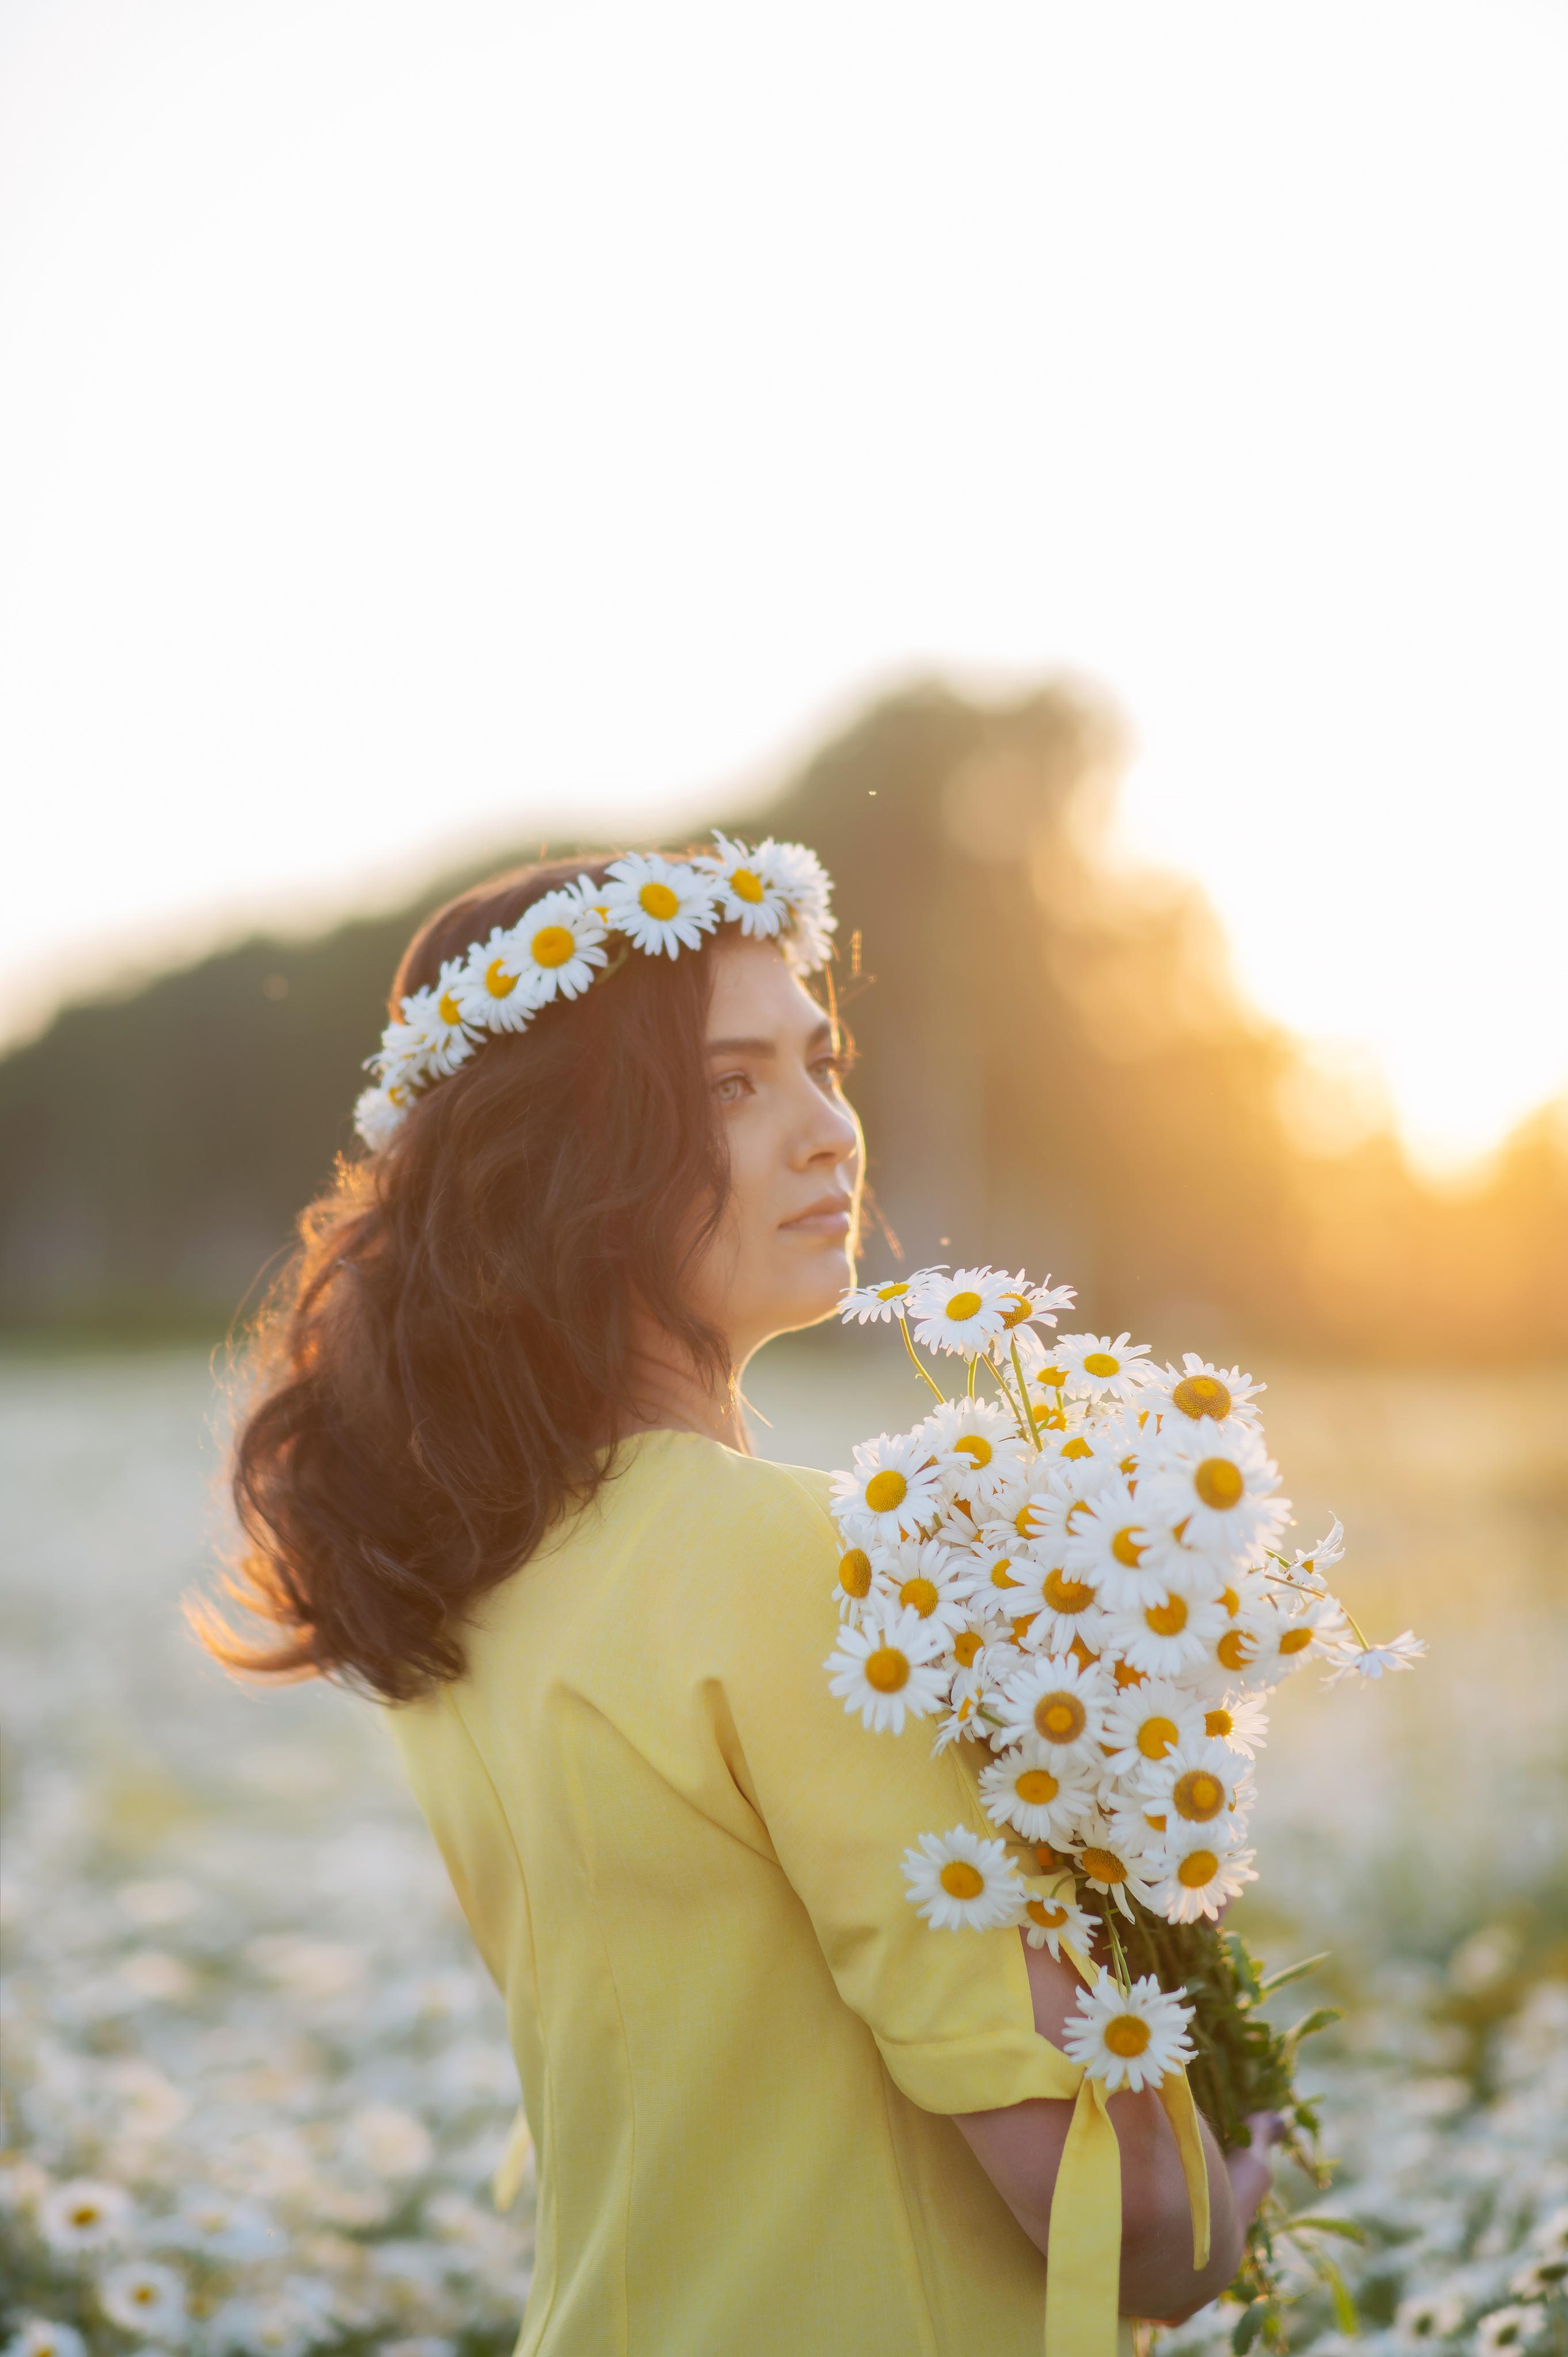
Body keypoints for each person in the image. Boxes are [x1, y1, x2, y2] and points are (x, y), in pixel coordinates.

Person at [206, 838, 1278, 2357]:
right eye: (729, 1085)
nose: (827, 1131)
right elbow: (1128, 2228)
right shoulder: (785, 1556)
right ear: (559, 1158)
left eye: (817, 1061)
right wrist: (1238, 2158)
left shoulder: (468, 1573)